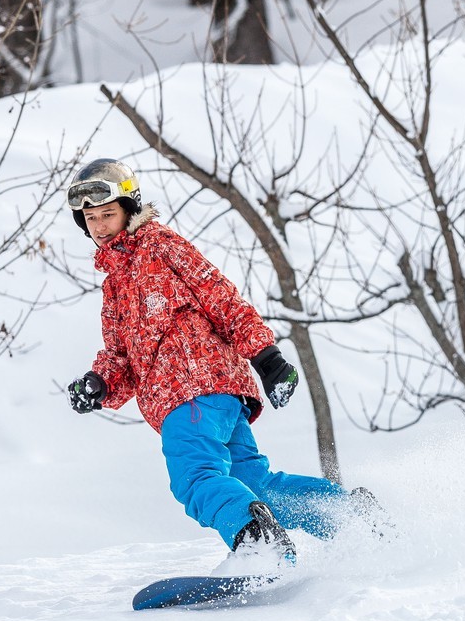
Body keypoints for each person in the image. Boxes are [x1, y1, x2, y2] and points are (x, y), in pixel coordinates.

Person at [63, 158, 364, 566]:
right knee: (253, 482)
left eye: (108, 214)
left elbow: (220, 298)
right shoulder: (115, 284)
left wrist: (267, 357)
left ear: (129, 210)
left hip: (190, 392)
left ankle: (260, 545)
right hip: (216, 397)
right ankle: (354, 522)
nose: (99, 226)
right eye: (91, 217)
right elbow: (121, 357)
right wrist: (99, 382)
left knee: (196, 477)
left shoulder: (159, 245)